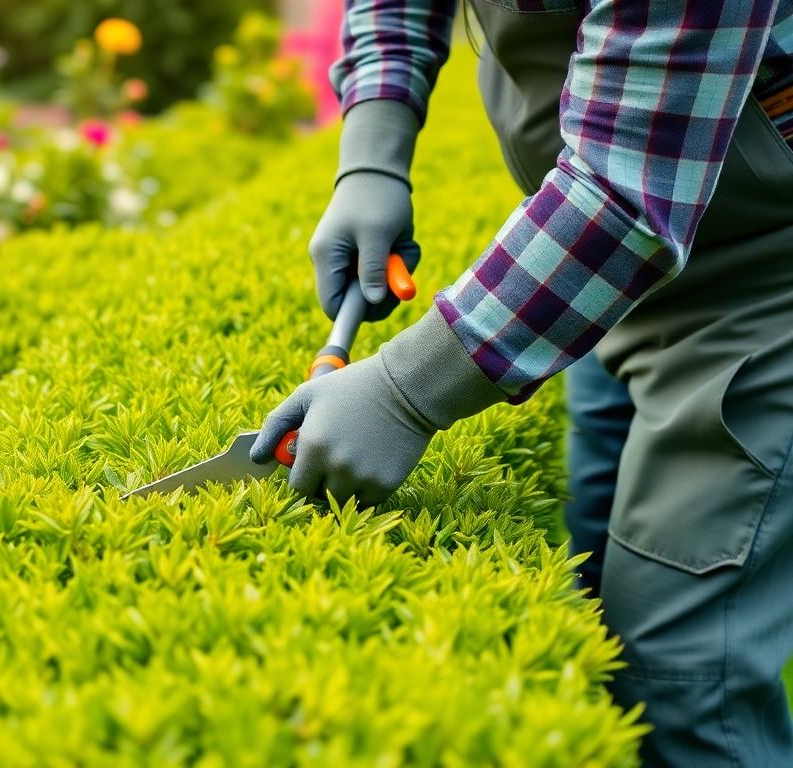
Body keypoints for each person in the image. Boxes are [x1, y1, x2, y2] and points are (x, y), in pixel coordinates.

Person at [250, 1, 793, 764]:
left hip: (760, 267)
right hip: (604, 268)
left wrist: (406, 393)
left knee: (684, 673)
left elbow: (626, 188)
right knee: (594, 579)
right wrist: (372, 152)